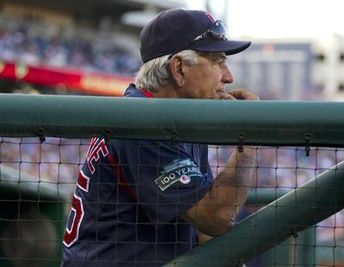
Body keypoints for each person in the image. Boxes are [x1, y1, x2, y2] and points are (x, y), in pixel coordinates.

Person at [62, 8, 259, 267]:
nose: (228, 76)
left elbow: (205, 229)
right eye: (217, 61)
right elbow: (217, 216)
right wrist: (250, 138)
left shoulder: (180, 120)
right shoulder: (140, 121)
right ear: (178, 69)